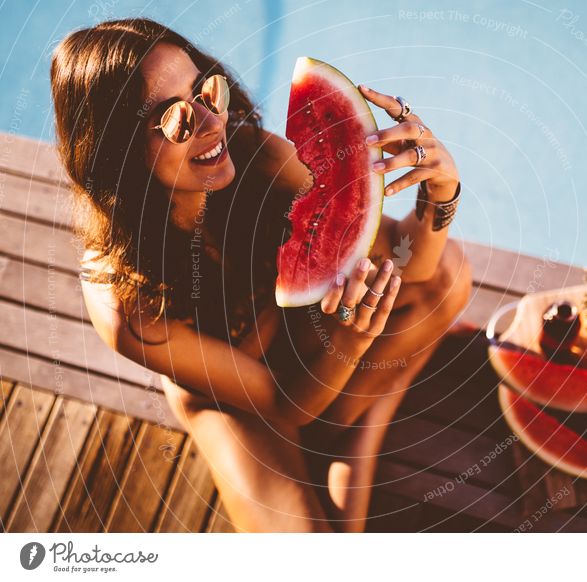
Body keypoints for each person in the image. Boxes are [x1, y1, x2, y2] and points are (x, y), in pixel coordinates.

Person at [51, 17, 472, 533]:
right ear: (117, 155)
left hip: (301, 339)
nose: (212, 124)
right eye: (178, 119)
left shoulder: (258, 157)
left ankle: (360, 422)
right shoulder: (127, 306)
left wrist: (440, 193)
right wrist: (350, 341)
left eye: (206, 91)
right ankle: (364, 420)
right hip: (232, 397)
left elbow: (417, 266)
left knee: (450, 277)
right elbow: (281, 403)